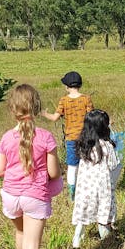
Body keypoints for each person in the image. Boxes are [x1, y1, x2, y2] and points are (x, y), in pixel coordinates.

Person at [0, 84, 61, 249]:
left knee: (21, 233)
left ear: (12, 109)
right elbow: (53, 173)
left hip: (11, 196)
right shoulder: (45, 137)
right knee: (32, 245)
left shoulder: (5, 138)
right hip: (35, 197)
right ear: (38, 107)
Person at [42, 71, 93, 201]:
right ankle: (87, 189)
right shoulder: (86, 99)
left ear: (66, 86)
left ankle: (72, 192)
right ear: (80, 85)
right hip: (86, 137)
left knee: (72, 165)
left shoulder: (64, 100)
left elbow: (54, 118)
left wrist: (44, 113)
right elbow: (92, 117)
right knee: (87, 163)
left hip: (71, 138)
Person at [71, 110, 119, 249]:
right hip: (103, 187)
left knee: (83, 213)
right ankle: (106, 243)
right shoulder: (107, 145)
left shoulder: (83, 145)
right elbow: (113, 164)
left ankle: (77, 239)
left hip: (84, 187)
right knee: (103, 214)